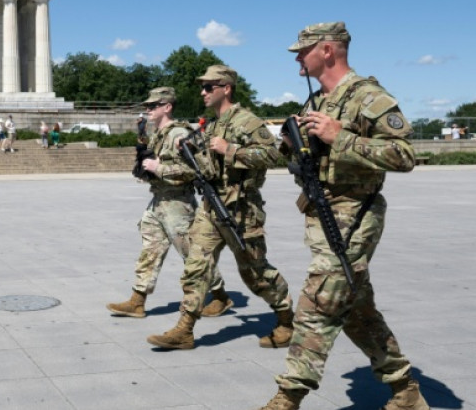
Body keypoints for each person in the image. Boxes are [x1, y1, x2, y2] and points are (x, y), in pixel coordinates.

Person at [258, 22, 428, 410]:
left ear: (329, 50)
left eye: (303, 50)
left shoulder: (369, 98)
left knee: (319, 302)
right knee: (354, 310)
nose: (297, 58)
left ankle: (288, 396)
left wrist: (341, 137)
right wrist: (291, 144)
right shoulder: (315, 101)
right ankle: (405, 391)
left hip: (355, 214)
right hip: (321, 215)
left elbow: (404, 156)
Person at [147, 65, 294, 351]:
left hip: (241, 209)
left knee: (255, 273)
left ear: (226, 88)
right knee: (195, 266)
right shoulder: (212, 124)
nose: (202, 92)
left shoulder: (247, 121)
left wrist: (230, 149)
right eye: (202, 87)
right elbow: (204, 165)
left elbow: (273, 155)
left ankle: (287, 318)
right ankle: (184, 329)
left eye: (209, 87)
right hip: (211, 205)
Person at [107, 87, 231, 319]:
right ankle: (137, 300)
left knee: (192, 254)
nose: (148, 110)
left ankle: (220, 296)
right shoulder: (158, 134)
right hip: (159, 200)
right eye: (147, 106)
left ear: (167, 107)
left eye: (153, 106)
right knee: (150, 250)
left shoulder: (179, 135)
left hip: (177, 204)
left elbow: (195, 170)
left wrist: (159, 168)